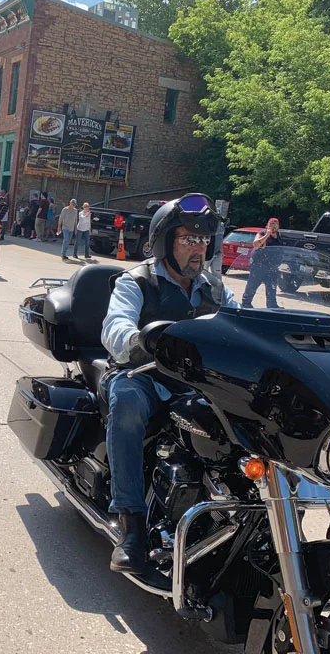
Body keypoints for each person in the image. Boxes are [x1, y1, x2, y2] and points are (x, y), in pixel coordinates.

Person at [100, 193, 238, 573]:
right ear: (165, 242)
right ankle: (130, 524)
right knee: (126, 404)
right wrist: (141, 341)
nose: (199, 249)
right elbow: (115, 328)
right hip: (142, 375)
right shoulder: (137, 281)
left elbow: (244, 325)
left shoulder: (214, 288)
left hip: (194, 383)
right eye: (189, 239)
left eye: (204, 241)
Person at [242, 217, 282, 309]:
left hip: (272, 266)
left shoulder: (279, 235)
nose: (273, 227)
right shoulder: (262, 233)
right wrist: (267, 235)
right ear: (267, 225)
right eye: (271, 224)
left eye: (275, 225)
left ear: (278, 226)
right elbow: (256, 244)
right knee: (252, 286)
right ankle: (246, 304)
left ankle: (272, 305)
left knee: (272, 288)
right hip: (259, 265)